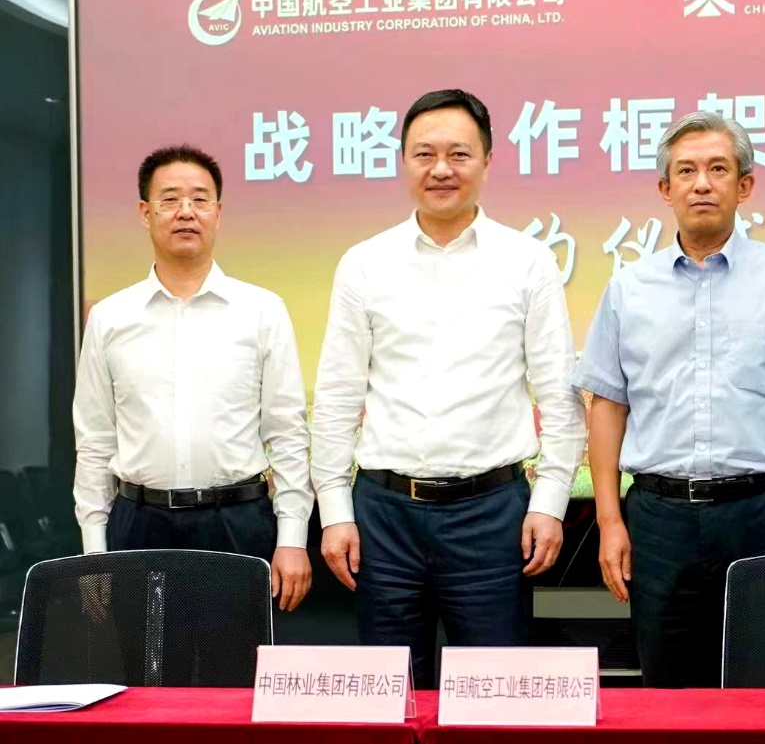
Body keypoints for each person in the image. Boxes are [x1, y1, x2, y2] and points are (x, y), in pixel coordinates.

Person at [310, 88, 585, 688]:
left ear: (487, 161)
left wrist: (549, 503)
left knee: (493, 697)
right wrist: (333, 511)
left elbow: (558, 395)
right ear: (403, 162)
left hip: (492, 515)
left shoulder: (527, 261)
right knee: (390, 697)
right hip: (384, 516)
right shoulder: (364, 263)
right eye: (424, 154)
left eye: (458, 154)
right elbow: (336, 397)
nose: (441, 169)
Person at [572, 111, 765, 688]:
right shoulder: (629, 288)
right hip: (659, 519)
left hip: (762, 512)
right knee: (669, 690)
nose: (702, 184)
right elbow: (608, 404)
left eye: (718, 169)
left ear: (745, 185)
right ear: (664, 189)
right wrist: (610, 520)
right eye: (686, 171)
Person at [73, 145, 314, 613]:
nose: (186, 211)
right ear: (145, 213)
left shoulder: (262, 311)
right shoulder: (109, 318)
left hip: (236, 523)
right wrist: (93, 554)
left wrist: (291, 538)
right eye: (169, 199)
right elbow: (95, 441)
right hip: (138, 526)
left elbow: (287, 433)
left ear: (218, 213)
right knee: (146, 658)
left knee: (236, 657)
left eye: (200, 199)